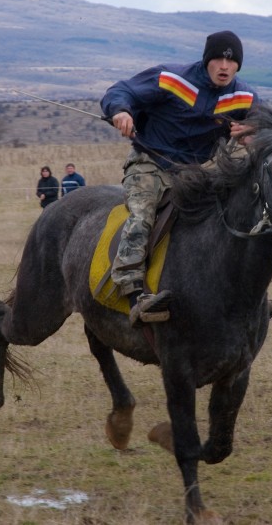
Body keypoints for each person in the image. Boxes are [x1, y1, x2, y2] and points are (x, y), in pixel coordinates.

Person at [101, 30, 258, 326]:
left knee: (227, 219)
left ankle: (239, 294)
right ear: (207, 59)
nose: (224, 66)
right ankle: (132, 289)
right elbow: (120, 91)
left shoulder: (244, 96)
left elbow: (259, 127)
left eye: (231, 61)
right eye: (218, 59)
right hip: (150, 163)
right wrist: (121, 111)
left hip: (196, 173)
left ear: (238, 65)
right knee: (142, 216)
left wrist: (252, 135)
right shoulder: (172, 79)